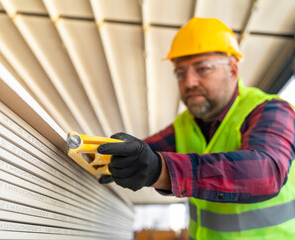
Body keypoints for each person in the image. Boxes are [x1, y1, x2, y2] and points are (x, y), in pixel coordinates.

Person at [97, 17, 295, 239]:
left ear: (231, 70)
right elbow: (144, 153)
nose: (189, 82)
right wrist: (111, 159)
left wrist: (161, 171)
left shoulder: (271, 110)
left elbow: (266, 173)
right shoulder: (185, 124)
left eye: (202, 69)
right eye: (181, 73)